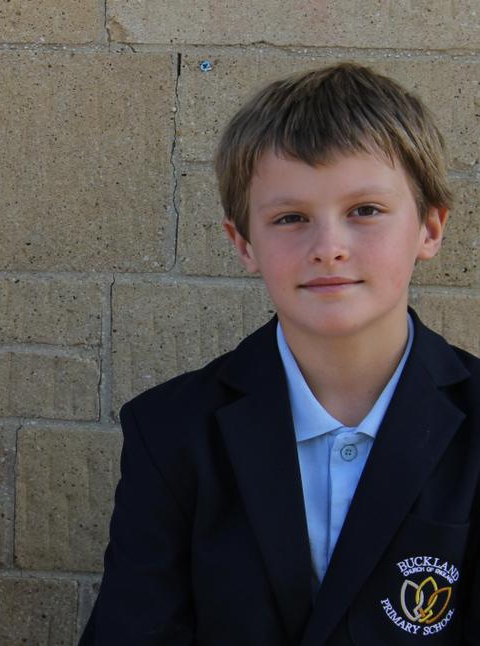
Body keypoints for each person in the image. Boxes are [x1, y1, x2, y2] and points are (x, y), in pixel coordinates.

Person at [80, 63, 480, 644]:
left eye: (365, 210)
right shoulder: (170, 431)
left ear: (430, 228)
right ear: (244, 244)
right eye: (291, 218)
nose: (329, 248)